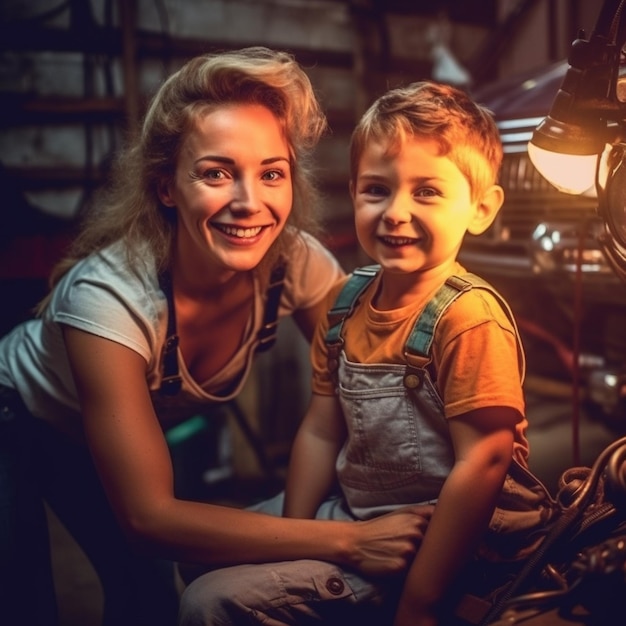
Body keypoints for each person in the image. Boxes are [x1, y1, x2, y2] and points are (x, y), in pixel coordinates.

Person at [0, 47, 433, 626]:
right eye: (216, 173)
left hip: (123, 426)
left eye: (271, 173)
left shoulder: (295, 261)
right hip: (21, 418)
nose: (250, 203)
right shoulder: (107, 300)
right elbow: (150, 516)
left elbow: (370, 376)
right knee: (25, 601)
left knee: (147, 595)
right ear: (166, 188)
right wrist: (349, 542)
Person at [177, 80, 558, 626]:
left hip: (455, 540)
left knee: (208, 602)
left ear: (481, 208)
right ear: (354, 191)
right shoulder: (344, 303)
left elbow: (485, 462)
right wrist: (298, 535)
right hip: (362, 514)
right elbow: (320, 429)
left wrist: (421, 603)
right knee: (197, 556)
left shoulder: (468, 316)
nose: (395, 212)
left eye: (426, 191)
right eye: (376, 190)